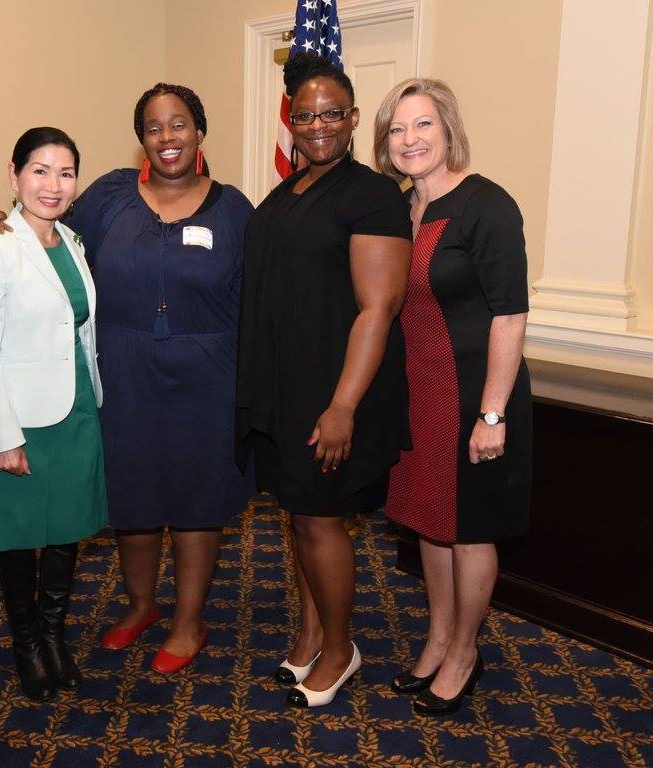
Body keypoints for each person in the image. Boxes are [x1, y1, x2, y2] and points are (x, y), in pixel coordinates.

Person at [236, 53, 412, 708]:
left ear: (354, 119)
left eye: (331, 113)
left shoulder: (370, 196)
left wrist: (342, 406)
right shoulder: (291, 189)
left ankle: (340, 650)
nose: (317, 125)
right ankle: (311, 633)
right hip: (287, 389)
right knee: (300, 520)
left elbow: (378, 308)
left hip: (335, 392)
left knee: (320, 522)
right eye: (305, 114)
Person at [65, 83, 254, 673]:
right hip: (124, 370)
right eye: (153, 126)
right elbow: (51, 237)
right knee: (134, 494)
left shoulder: (234, 210)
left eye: (178, 124)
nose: (166, 137)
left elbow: (261, 297)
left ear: (200, 131)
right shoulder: (108, 199)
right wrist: (6, 221)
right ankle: (141, 606)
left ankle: (188, 622)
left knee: (198, 499)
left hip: (209, 376)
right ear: (141, 138)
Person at [373, 77, 531, 716]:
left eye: (423, 125)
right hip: (417, 393)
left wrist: (492, 412)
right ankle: (438, 637)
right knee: (430, 524)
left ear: (448, 130)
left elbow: (510, 315)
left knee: (469, 531)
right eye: (396, 129)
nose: (409, 140)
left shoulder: (487, 205)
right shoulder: (399, 207)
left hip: (473, 396)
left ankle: (466, 650)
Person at [0, 127, 106, 702]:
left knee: (65, 533)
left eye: (66, 172)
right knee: (20, 537)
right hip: (20, 417)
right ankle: (26, 643)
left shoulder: (73, 242)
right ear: (14, 174)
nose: (53, 185)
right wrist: (3, 436)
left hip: (76, 406)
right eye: (40, 170)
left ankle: (54, 637)